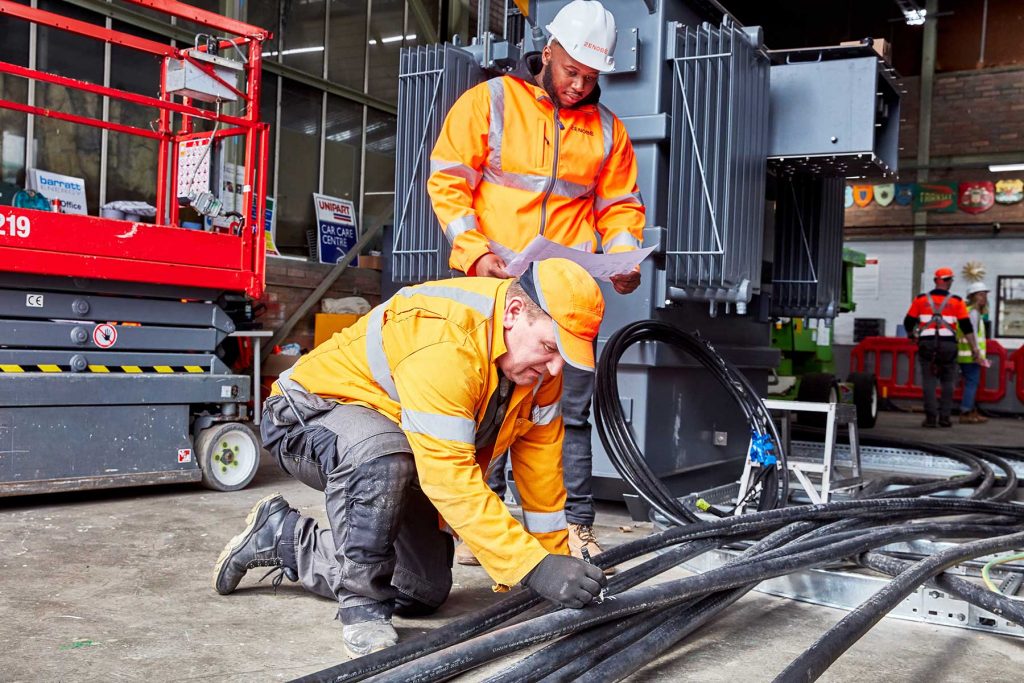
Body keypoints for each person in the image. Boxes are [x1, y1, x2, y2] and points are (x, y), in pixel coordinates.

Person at [212, 258, 608, 657]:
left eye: (565, 356)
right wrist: (531, 567)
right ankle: (362, 608)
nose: (556, 368)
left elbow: (542, 481)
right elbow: (447, 476)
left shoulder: (538, 375)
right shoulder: (448, 339)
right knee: (384, 456)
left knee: (419, 588)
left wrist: (556, 564)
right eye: (549, 347)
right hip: (306, 414)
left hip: (393, 443)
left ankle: (282, 538)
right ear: (514, 313)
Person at [426, 0, 645, 566]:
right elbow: (449, 185)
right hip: (495, 289)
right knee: (489, 405)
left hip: (568, 295)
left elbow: (619, 209)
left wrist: (623, 258)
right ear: (548, 52)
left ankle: (575, 528)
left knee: (570, 412)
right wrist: (474, 254)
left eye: (592, 77)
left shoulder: (608, 132)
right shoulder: (490, 102)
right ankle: (485, 520)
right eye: (572, 70)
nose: (580, 85)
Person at [904, 267, 982, 428]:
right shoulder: (957, 301)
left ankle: (931, 418)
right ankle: (945, 418)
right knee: (948, 381)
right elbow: (966, 327)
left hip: (927, 343)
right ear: (949, 282)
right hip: (948, 345)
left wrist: (912, 336)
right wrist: (975, 348)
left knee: (929, 381)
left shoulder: (920, 299)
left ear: (935, 281)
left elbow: (908, 322)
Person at [957, 281, 990, 424]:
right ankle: (966, 412)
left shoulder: (967, 310)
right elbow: (974, 335)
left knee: (971, 383)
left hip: (967, 355)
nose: (983, 298)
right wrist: (977, 353)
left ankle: (971, 411)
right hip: (971, 356)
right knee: (972, 383)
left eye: (985, 295)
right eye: (980, 295)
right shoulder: (973, 312)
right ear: (972, 296)